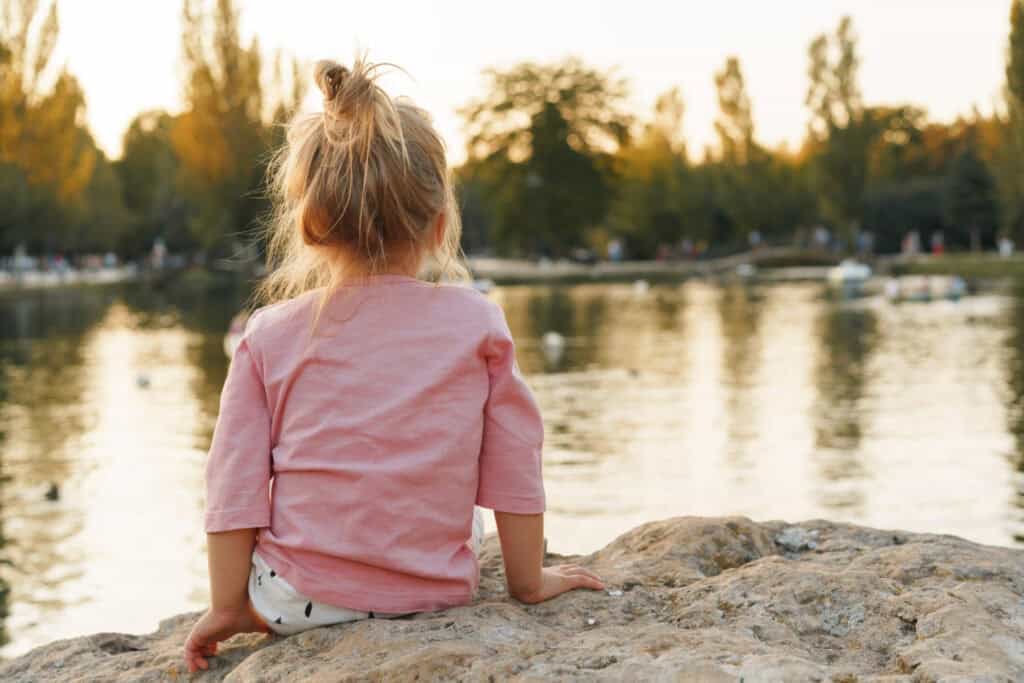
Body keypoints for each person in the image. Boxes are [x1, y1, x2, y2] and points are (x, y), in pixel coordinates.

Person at [183, 58, 604, 674]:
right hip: (433, 591)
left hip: (292, 600)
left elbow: (233, 484)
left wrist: (230, 606)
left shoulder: (266, 336)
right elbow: (515, 457)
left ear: (310, 227)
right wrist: (528, 581)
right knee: (466, 530)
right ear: (439, 225)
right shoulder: (476, 323)